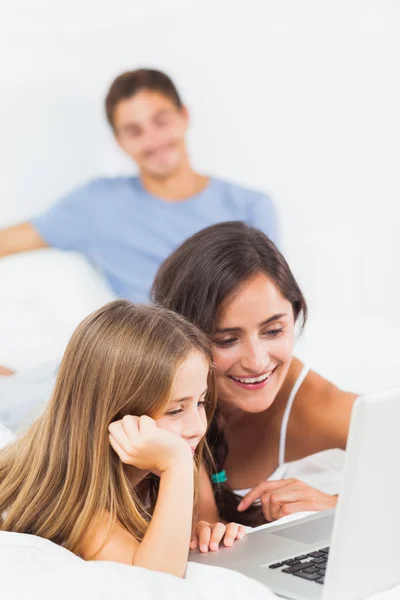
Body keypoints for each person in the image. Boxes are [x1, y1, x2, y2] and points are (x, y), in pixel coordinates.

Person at [0, 300, 245, 576]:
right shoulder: (81, 505)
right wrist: (176, 466)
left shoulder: (178, 449)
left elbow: (199, 525)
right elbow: (156, 583)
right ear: (115, 415)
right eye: (176, 410)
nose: (198, 427)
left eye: (201, 402)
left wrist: (207, 534)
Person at [0, 68, 278, 302]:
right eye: (134, 131)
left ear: (184, 116)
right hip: (151, 355)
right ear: (120, 141)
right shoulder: (96, 205)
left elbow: (269, 302)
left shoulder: (250, 207)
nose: (153, 140)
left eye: (161, 121)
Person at [151, 221, 358, 527]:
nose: (257, 362)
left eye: (273, 331)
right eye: (226, 340)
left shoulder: (313, 402)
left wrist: (339, 505)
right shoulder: (153, 395)